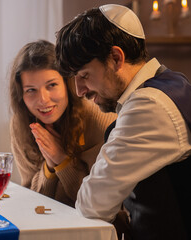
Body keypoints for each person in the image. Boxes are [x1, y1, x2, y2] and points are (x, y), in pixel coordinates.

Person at [55, 4, 191, 240]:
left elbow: (92, 205)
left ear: (115, 58)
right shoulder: (173, 84)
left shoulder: (149, 106)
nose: (79, 90)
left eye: (84, 76)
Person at [9, 40, 117, 208]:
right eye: (31, 90)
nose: (43, 100)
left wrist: (62, 160)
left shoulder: (101, 120)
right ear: (21, 96)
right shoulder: (21, 124)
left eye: (51, 85)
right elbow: (33, 202)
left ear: (67, 84)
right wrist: (50, 167)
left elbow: (101, 204)